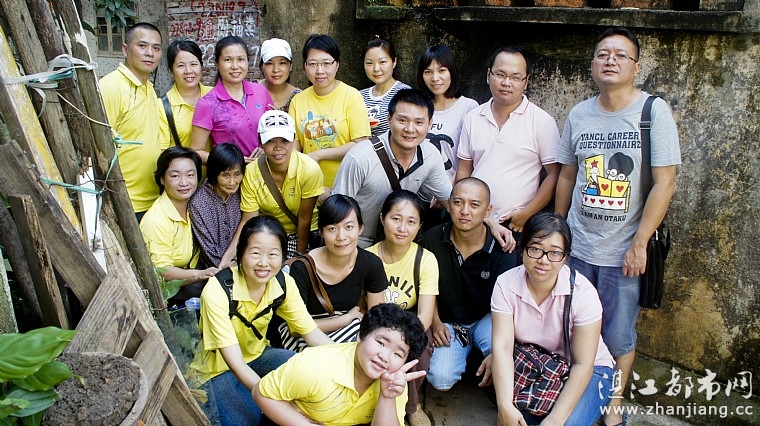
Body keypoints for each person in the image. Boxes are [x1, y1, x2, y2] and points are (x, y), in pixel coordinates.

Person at [554, 27, 681, 426]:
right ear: (592, 64)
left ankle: (613, 403)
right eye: (603, 54)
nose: (611, 60)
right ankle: (574, 393)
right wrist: (558, 232)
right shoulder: (579, 113)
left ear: (636, 67)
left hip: (623, 252)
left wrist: (640, 243)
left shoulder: (652, 112)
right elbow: (567, 175)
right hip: (577, 247)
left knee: (619, 336)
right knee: (571, 326)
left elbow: (665, 182)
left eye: (621, 55)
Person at [186, 215, 333, 426]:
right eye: (255, 253)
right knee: (253, 419)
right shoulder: (217, 291)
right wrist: (279, 406)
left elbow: (313, 334)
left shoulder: (283, 283)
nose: (264, 263)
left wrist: (348, 360)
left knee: (308, 372)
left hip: (258, 355)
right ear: (240, 254)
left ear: (283, 256)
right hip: (217, 370)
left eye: (273, 254)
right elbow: (236, 364)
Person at [491, 212, 615, 426]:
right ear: (522, 248)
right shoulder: (506, 283)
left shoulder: (582, 293)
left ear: (566, 257)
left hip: (589, 369)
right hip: (536, 363)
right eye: (535, 249)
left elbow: (583, 363)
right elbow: (502, 347)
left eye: (555, 253)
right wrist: (504, 405)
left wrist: (555, 420)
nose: (543, 260)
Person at [253, 303, 428, 426]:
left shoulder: (394, 382)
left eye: (398, 354)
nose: (385, 357)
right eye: (381, 343)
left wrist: (387, 397)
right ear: (360, 336)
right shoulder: (315, 366)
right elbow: (261, 394)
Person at [456, 46, 560, 246]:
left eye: (515, 77)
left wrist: (527, 213)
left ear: (526, 82)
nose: (506, 83)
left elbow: (554, 174)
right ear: (489, 75)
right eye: (500, 74)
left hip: (516, 224)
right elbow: (464, 170)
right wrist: (463, 207)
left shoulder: (541, 122)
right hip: (473, 221)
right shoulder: (473, 118)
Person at [421, 177, 517, 391]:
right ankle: (466, 358)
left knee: (504, 356)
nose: (465, 211)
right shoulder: (432, 239)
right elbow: (425, 287)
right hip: (448, 321)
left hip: (487, 318)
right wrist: (435, 322)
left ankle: (481, 363)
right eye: (458, 202)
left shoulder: (502, 247)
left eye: (474, 205)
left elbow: (508, 304)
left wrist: (500, 351)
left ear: (488, 210)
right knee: (441, 379)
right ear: (449, 204)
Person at [333, 89, 452, 247]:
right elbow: (336, 214)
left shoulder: (430, 155)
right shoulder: (360, 157)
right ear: (389, 119)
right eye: (402, 120)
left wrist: (482, 223)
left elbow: (450, 202)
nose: (410, 129)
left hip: (400, 244)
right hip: (358, 243)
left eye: (419, 122)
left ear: (430, 124)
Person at [367, 191, 438, 426]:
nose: (402, 228)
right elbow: (371, 311)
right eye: (396, 219)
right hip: (376, 323)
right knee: (379, 351)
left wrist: (403, 339)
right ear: (382, 218)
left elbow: (425, 314)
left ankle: (411, 406)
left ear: (419, 226)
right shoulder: (368, 257)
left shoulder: (425, 259)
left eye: (411, 221)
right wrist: (389, 340)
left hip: (412, 321)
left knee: (418, 353)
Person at [283, 194, 388, 347]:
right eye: (332, 229)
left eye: (349, 227)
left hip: (349, 332)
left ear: (360, 228)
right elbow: (295, 328)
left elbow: (377, 319)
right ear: (321, 232)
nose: (341, 237)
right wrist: (346, 319)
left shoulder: (371, 264)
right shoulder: (303, 268)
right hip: (305, 337)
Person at [231, 109, 323, 261]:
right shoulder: (251, 172)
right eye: (270, 141)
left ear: (293, 139)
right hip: (269, 233)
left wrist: (298, 256)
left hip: (303, 233)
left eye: (284, 140)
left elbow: (304, 217)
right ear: (261, 142)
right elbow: (248, 220)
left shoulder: (309, 169)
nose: (278, 147)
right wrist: (230, 257)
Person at [289, 34, 371, 188]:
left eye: (326, 63)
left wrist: (319, 154)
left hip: (347, 185)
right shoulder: (297, 101)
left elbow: (361, 144)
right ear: (304, 66)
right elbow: (295, 147)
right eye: (313, 64)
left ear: (337, 65)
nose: (320, 70)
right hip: (310, 186)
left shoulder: (352, 96)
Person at [99, 22, 163, 220]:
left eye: (156, 48)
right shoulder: (111, 86)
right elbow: (99, 144)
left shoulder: (149, 88)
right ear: (125, 50)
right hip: (124, 200)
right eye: (142, 46)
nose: (150, 53)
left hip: (152, 198)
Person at [139, 146, 218, 305]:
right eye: (175, 176)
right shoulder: (155, 220)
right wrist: (199, 274)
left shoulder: (197, 205)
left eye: (190, 175)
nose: (184, 183)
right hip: (173, 295)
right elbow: (162, 271)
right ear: (162, 179)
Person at [190, 36, 273, 163]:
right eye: (228, 60)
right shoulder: (208, 103)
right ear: (217, 63)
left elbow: (272, 130)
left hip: (262, 170)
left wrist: (265, 148)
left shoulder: (260, 92)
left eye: (240, 59)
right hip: (229, 173)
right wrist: (233, 160)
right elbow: (196, 152)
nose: (235, 66)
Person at [416, 44, 478, 182]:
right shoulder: (418, 107)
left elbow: (471, 157)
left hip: (454, 187)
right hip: (418, 189)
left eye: (442, 70)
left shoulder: (469, 107)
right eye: (428, 72)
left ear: (452, 72)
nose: (435, 78)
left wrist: (449, 188)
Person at [189, 143, 245, 268]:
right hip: (214, 270)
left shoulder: (243, 192)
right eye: (225, 175)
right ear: (214, 174)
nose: (232, 182)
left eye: (237, 174)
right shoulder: (199, 203)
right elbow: (209, 251)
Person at [158, 40, 212, 150]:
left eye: (193, 64)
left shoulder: (214, 95)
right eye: (181, 66)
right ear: (171, 71)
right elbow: (163, 151)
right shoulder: (162, 106)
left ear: (201, 66)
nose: (188, 71)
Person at [360, 37, 411, 136]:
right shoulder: (359, 96)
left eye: (382, 62)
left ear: (394, 62)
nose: (376, 69)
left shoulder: (405, 93)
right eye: (369, 63)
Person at [258, 38, 301, 112]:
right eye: (269, 63)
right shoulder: (250, 92)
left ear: (290, 66)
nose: (276, 70)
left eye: (282, 63)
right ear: (262, 66)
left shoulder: (299, 98)